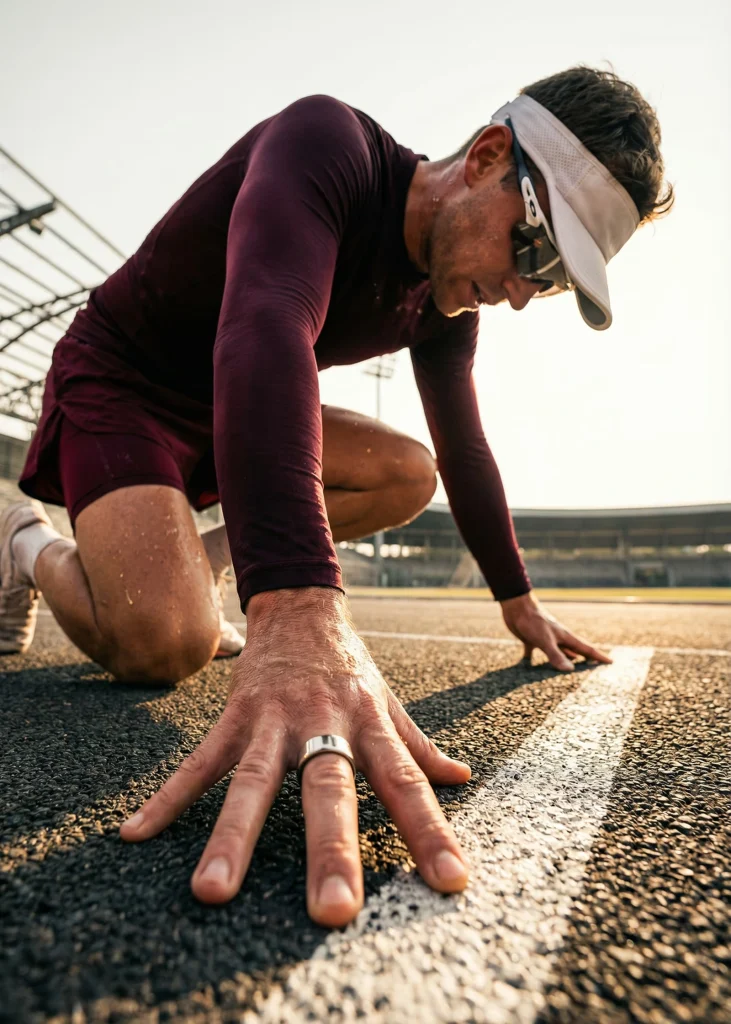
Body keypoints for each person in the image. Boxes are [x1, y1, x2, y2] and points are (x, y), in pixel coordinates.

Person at [0, 66, 673, 928]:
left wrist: (518, 598)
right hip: (127, 378)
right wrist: (295, 605)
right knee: (163, 645)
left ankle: (196, 565)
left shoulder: (446, 308)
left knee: (408, 471)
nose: (516, 295)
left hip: (230, 402)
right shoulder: (328, 145)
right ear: (487, 156)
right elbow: (266, 323)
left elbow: (463, 448)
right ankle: (23, 541)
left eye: (544, 285)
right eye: (531, 252)